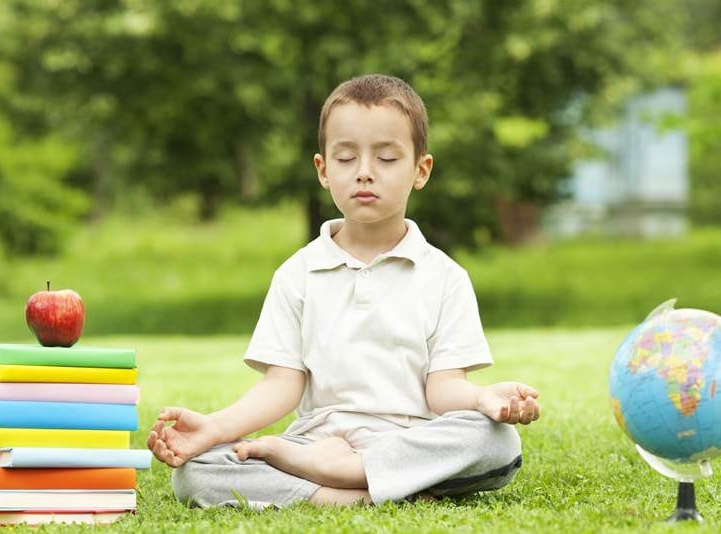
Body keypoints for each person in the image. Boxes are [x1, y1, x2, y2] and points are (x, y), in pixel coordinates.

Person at [148, 74, 540, 508]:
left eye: (387, 158)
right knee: (196, 475)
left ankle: (345, 480)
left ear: (420, 170)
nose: (365, 173)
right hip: (316, 443)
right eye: (347, 158)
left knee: (496, 442)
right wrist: (213, 428)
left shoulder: (445, 277)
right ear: (323, 170)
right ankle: (357, 494)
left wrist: (483, 399)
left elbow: (443, 391)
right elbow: (281, 387)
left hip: (409, 444)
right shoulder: (297, 274)